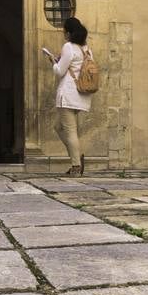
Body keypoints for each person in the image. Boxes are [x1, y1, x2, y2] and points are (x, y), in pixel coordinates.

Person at [44, 16, 94, 176]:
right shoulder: (86, 49)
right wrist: (60, 61)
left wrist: (53, 61)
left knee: (70, 130)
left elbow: (59, 72)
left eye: (64, 30)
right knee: (58, 127)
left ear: (69, 32)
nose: (63, 33)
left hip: (68, 94)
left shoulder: (69, 46)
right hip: (82, 94)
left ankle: (76, 165)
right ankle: (77, 156)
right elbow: (78, 67)